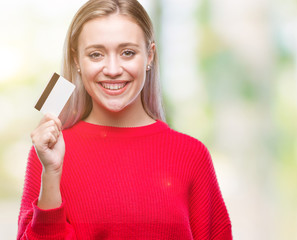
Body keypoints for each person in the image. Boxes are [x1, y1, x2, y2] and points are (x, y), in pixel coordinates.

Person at [17, 0, 232, 239]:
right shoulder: (48, 156)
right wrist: (52, 172)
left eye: (127, 52)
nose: (112, 69)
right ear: (77, 59)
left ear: (149, 56)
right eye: (96, 54)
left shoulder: (191, 155)